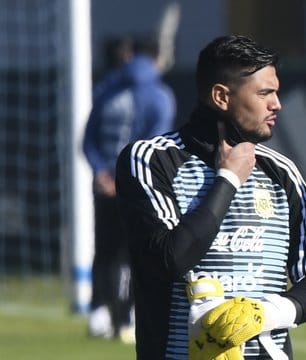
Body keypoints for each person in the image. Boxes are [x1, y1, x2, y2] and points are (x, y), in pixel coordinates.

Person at [115, 35, 306, 359]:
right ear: (221, 96)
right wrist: (228, 179)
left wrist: (267, 313)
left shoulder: (282, 172)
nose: (277, 104)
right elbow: (169, 260)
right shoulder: (151, 159)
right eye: (265, 93)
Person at [83, 37, 176, 342]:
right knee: (137, 251)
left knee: (105, 250)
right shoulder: (160, 95)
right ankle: (129, 315)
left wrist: (101, 172)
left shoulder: (106, 91)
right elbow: (154, 144)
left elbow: (88, 139)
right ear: (157, 58)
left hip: (105, 186)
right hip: (137, 186)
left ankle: (99, 313)